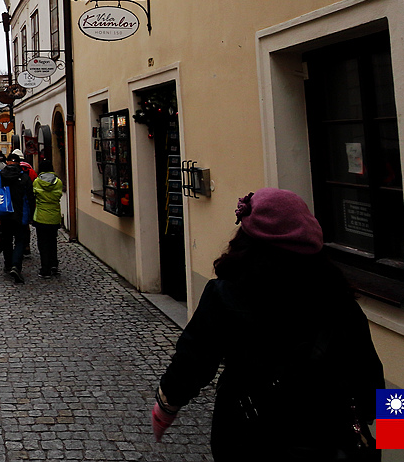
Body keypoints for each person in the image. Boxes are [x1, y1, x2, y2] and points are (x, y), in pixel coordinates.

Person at [153, 188, 384, 461]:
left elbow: (194, 360)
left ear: (247, 239)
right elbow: (369, 377)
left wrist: (166, 407)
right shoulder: (338, 298)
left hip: (249, 434)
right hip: (326, 439)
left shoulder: (226, 293)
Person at [0, 152, 33, 283]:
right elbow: (30, 198)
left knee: (7, 239)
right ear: (18, 163)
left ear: (8, 162)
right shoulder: (25, 178)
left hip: (4, 213)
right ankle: (16, 265)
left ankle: (8, 264)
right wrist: (31, 215)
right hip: (21, 214)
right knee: (20, 241)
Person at [32, 170, 63, 278]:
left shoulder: (36, 182)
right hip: (54, 216)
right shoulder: (58, 182)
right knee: (52, 241)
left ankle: (45, 269)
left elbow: (33, 196)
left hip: (41, 216)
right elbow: (59, 196)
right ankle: (54, 264)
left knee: (42, 244)